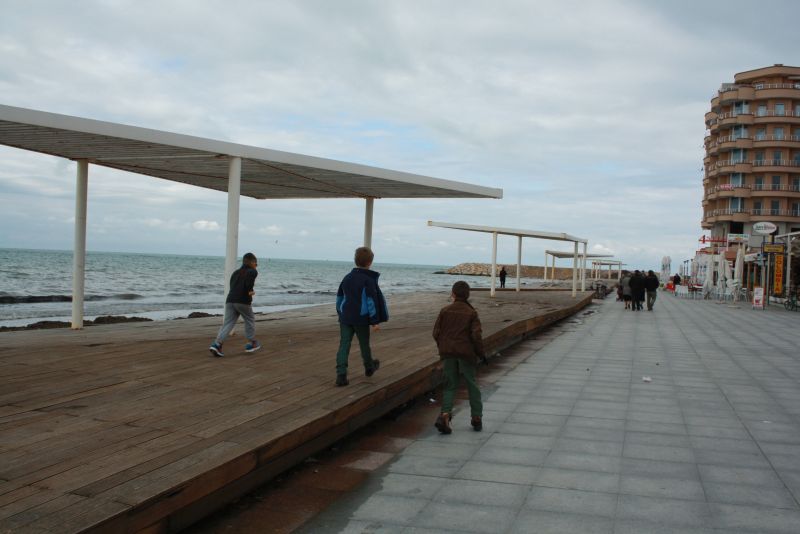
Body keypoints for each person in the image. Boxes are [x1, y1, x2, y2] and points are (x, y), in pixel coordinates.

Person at [433, 281, 485, 434]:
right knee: (471, 384)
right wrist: (481, 353)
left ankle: (445, 415)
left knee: (450, 384)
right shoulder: (472, 313)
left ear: (453, 294)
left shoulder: (444, 311)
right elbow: (476, 335)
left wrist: (442, 346)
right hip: (466, 354)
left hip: (448, 353)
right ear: (468, 295)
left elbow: (436, 333)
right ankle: (476, 417)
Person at [334, 246, 388, 387]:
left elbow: (339, 298)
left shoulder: (347, 278)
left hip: (345, 317)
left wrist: (340, 313)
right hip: (361, 318)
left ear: (355, 260)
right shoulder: (367, 280)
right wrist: (375, 321)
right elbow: (370, 302)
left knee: (344, 344)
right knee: (364, 344)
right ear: (370, 262)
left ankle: (341, 375)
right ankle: (369, 367)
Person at [209, 252, 262, 357]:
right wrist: (250, 290)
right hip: (242, 301)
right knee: (249, 319)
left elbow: (232, 285)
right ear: (251, 262)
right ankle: (251, 343)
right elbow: (249, 280)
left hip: (230, 300)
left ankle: (217, 344)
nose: (256, 266)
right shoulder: (252, 271)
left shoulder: (235, 272)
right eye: (256, 263)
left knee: (228, 323)